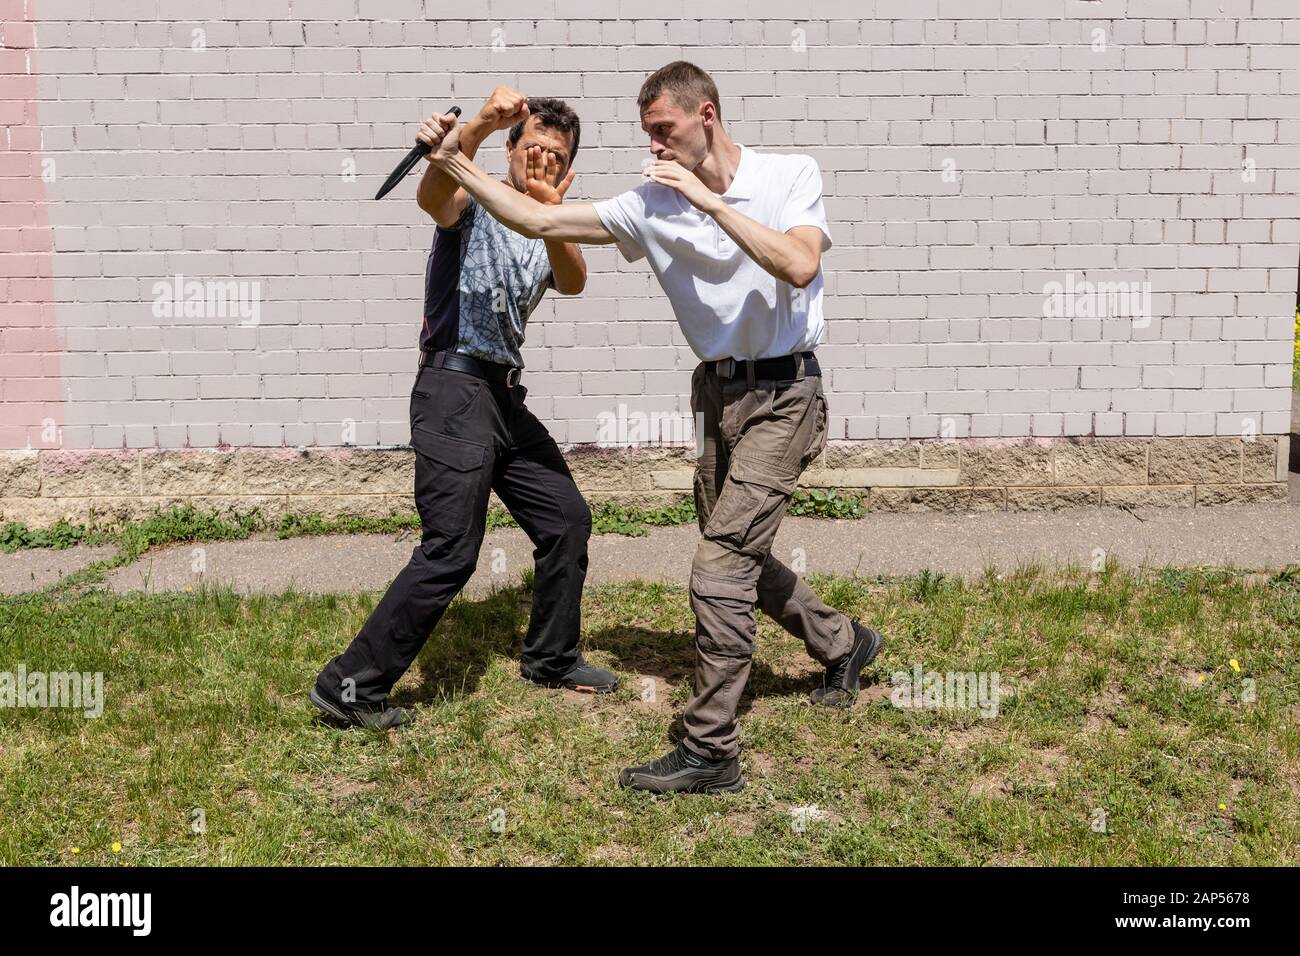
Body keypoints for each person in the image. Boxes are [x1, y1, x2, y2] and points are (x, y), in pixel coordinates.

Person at [420, 61, 885, 792]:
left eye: (663, 131)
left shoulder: (789, 174)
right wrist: (455, 160)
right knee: (735, 543)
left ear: (706, 115)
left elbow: (797, 264)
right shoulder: (650, 204)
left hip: (786, 393)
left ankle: (710, 750)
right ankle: (846, 643)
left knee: (720, 566)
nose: (655, 148)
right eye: (647, 136)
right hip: (716, 396)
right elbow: (539, 219)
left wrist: (708, 201)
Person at [310, 87, 618, 731]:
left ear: (570, 169)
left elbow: (573, 280)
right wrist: (476, 124)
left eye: (556, 156)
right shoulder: (473, 200)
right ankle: (348, 684)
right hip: (454, 390)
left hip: (503, 398)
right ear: (508, 149)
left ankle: (552, 658)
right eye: (532, 147)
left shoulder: (549, 221)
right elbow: (432, 195)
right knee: (452, 550)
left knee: (566, 519)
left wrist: (552, 209)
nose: (542, 161)